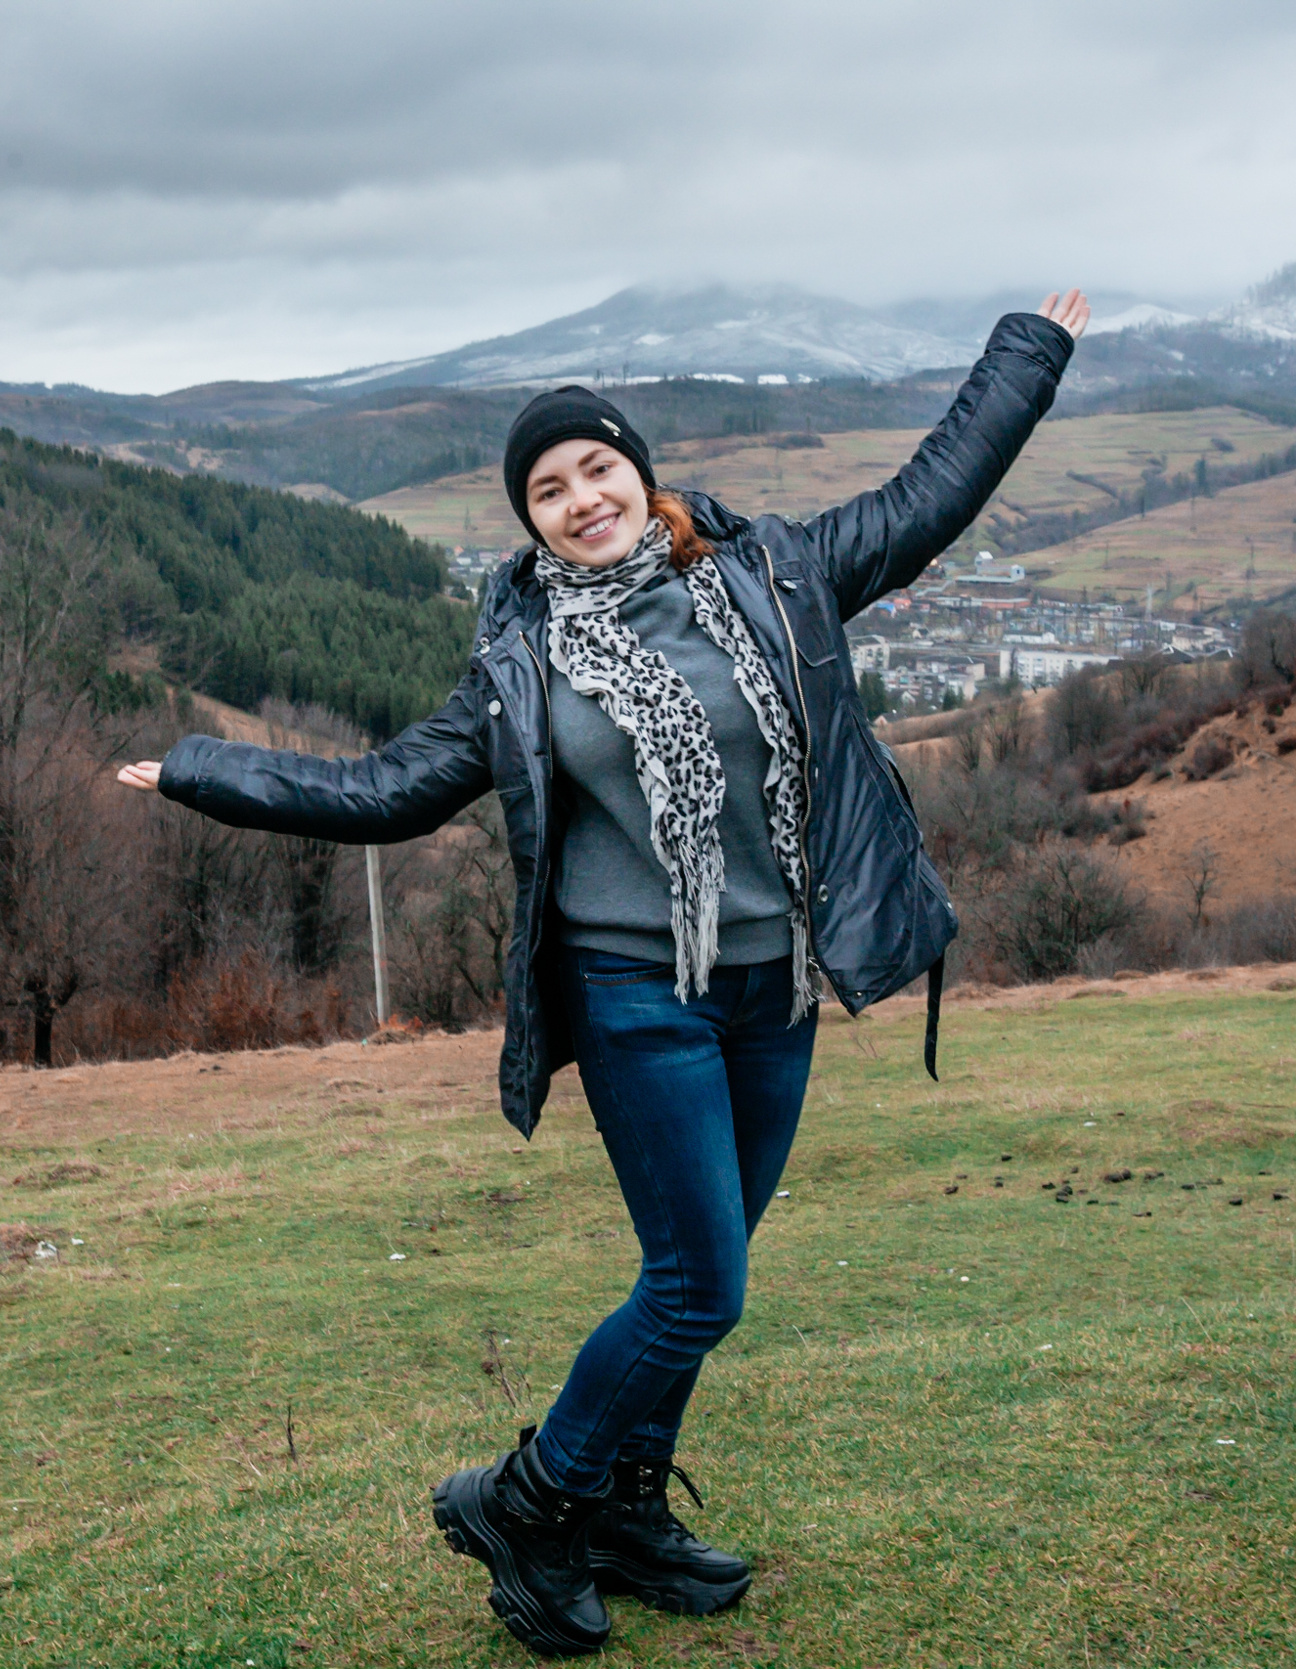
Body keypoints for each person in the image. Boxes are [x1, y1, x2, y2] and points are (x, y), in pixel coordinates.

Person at [118, 290, 1089, 1657]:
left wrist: (1026, 354)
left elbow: (934, 491)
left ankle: (625, 1509)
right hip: (638, 990)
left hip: (774, 987)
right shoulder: (520, 664)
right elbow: (386, 787)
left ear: (641, 475)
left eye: (596, 469)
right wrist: (205, 768)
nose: (579, 499)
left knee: (705, 1263)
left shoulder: (781, 571)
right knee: (700, 1284)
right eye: (547, 489)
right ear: (527, 522)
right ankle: (530, 1498)